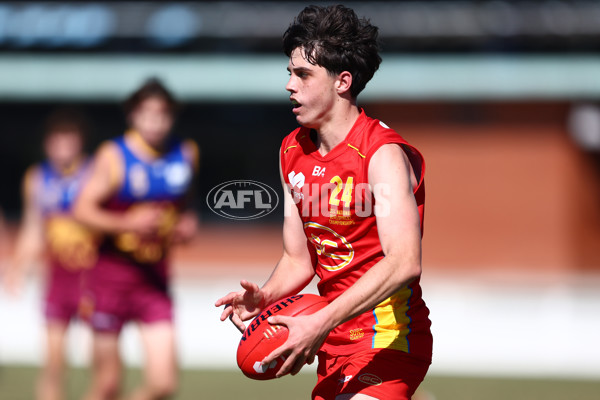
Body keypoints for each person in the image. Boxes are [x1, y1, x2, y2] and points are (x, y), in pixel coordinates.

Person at [216, 5, 432, 400]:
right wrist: (264, 298)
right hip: (330, 341)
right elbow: (299, 259)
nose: (289, 86)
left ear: (342, 82)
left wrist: (320, 321)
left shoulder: (380, 154)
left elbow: (404, 262)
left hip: (387, 339)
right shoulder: (291, 152)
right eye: (289, 74)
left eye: (302, 74)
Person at [73, 78, 199, 400]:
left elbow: (184, 206)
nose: (156, 122)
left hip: (154, 281)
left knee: (163, 384)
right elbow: (81, 210)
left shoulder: (184, 154)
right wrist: (125, 223)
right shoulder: (114, 156)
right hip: (109, 280)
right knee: (107, 385)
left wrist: (185, 225)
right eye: (148, 114)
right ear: (133, 115)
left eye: (163, 114)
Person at [3, 107, 97, 400]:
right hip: (58, 280)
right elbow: (33, 230)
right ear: (47, 143)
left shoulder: (95, 173)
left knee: (100, 363)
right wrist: (16, 267)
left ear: (80, 142)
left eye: (69, 141)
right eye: (57, 141)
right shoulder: (36, 179)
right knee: (54, 364)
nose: (62, 148)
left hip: (93, 279)